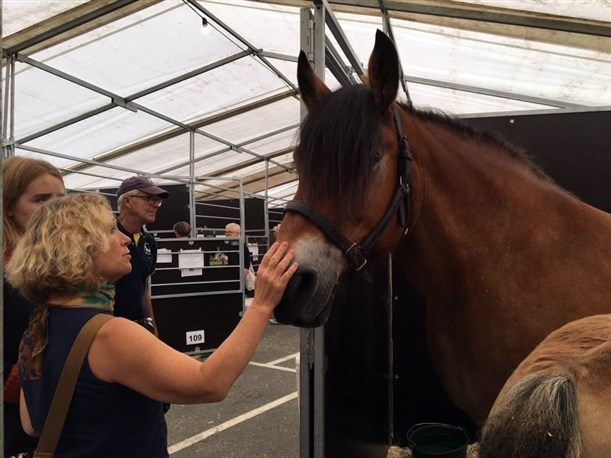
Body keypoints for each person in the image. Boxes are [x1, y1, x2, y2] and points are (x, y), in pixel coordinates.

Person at [7, 193, 297, 456]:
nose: (122, 238)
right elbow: (209, 383)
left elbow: (32, 423)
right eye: (109, 230)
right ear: (78, 247)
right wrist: (261, 305)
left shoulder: (36, 328)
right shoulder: (108, 334)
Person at [2, 156, 65, 457]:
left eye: (60, 199)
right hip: (15, 415)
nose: (54, 209)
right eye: (41, 199)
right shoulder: (7, 270)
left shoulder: (57, 263)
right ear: (9, 207)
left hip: (50, 405)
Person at [114, 176, 169, 334]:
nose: (156, 205)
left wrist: (152, 326)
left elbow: (143, 286)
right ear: (127, 201)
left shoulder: (149, 242)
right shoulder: (105, 237)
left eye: (157, 201)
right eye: (149, 199)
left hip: (140, 329)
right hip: (111, 329)